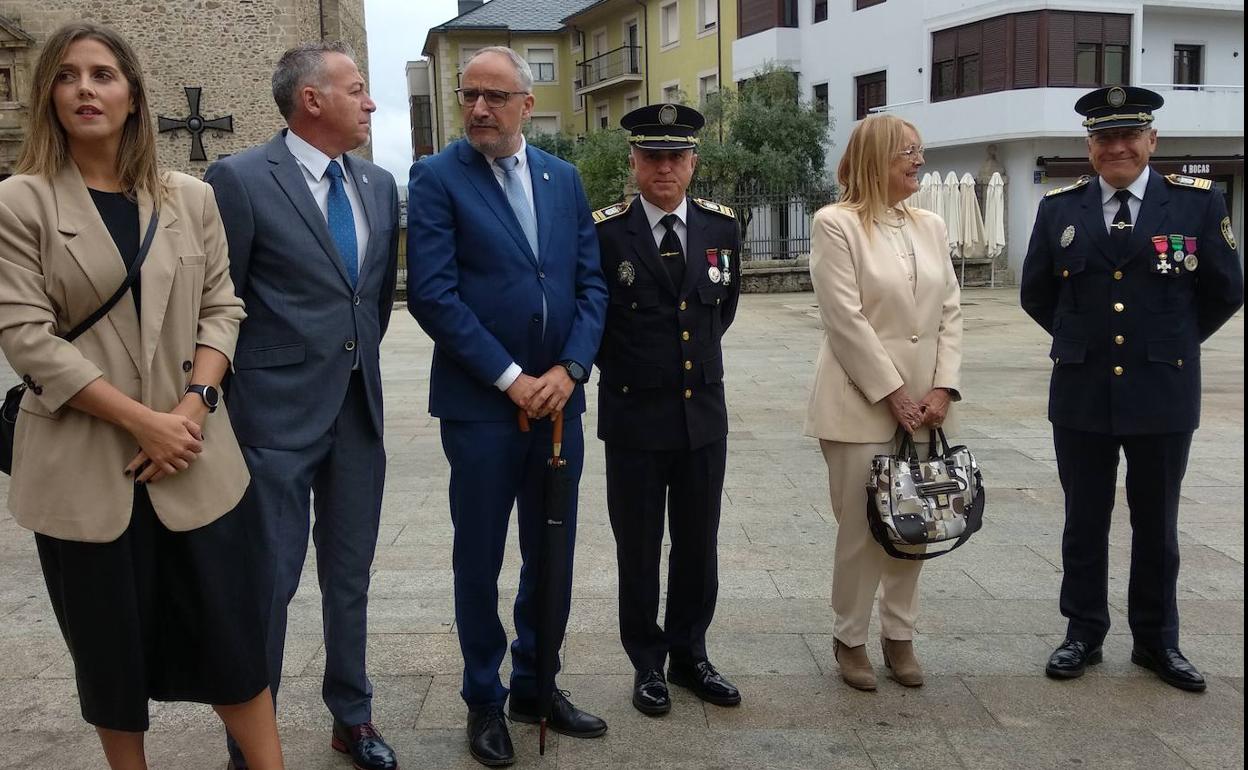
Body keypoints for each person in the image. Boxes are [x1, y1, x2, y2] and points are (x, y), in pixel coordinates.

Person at [0, 22, 282, 770]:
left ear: (132, 95)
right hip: (85, 471)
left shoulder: (189, 197)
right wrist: (143, 425)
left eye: (101, 75)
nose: (85, 89)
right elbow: (26, 337)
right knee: (108, 657)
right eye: (67, 76)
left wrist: (191, 408)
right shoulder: (19, 203)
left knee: (234, 643)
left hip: (196, 461)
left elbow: (223, 307)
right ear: (48, 96)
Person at [406, 46, 608, 767]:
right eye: (469, 95)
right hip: (483, 411)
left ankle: (537, 683)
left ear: (527, 104)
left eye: (495, 96)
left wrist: (571, 369)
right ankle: (483, 699)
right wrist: (512, 378)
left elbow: (591, 286)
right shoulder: (436, 178)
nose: (479, 109)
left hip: (559, 407)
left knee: (551, 555)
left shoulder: (563, 178)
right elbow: (433, 294)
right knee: (480, 558)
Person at [204, 42, 400, 770]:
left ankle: (353, 718)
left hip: (358, 412)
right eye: (356, 89)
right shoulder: (241, 179)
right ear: (312, 100)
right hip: (271, 420)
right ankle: (252, 741)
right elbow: (220, 300)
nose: (370, 102)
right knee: (270, 584)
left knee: (349, 577)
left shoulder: (378, 185)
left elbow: (371, 303)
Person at [1020, 86, 1243, 692]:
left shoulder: (1196, 205)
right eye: (1103, 138)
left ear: (1152, 141)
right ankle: (1082, 633)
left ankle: (1157, 642)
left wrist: (1171, 341)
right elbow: (1037, 293)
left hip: (1163, 390)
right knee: (1083, 521)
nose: (1116, 147)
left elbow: (1226, 289)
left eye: (1128, 136)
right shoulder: (1060, 209)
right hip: (1082, 391)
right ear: (1089, 146)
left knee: (1157, 524)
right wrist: (1080, 339)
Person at [592, 104, 743, 716]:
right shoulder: (605, 231)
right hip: (634, 418)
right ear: (633, 161)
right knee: (639, 545)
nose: (664, 168)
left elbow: (720, 310)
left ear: (693, 163)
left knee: (697, 544)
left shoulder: (720, 227)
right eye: (652, 156)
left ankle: (691, 654)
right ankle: (647, 663)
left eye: (676, 157)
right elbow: (594, 321)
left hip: (703, 416)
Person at [804, 114, 963, 691]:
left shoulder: (931, 225)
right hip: (859, 403)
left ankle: (900, 634)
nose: (918, 161)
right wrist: (893, 392)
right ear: (875, 159)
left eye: (920, 151)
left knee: (916, 523)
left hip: (928, 404)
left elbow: (950, 311)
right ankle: (849, 638)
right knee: (863, 529)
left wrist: (942, 386)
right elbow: (843, 318)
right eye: (907, 153)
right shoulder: (836, 224)